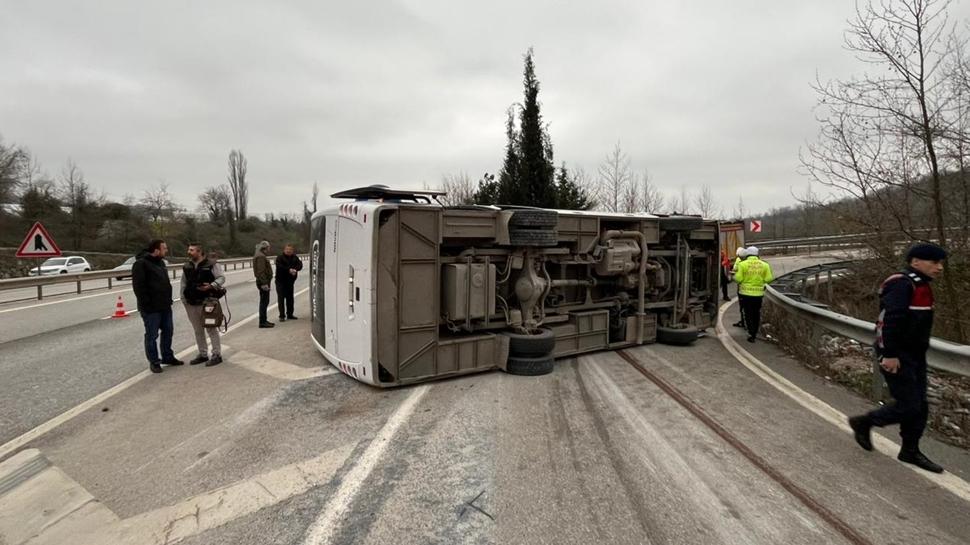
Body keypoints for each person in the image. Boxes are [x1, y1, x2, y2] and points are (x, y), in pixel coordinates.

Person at [848, 242, 948, 473]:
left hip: (915, 355)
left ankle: (910, 450)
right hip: (898, 355)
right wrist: (889, 354)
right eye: (934, 262)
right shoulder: (902, 284)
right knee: (910, 405)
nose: (939, 267)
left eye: (941, 263)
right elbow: (887, 321)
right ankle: (865, 421)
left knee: (920, 406)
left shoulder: (921, 285)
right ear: (915, 262)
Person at [131, 239, 183, 373]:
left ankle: (167, 356)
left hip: (165, 305)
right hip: (151, 308)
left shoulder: (160, 263)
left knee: (168, 331)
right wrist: (146, 305)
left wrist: (168, 300)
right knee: (152, 335)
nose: (166, 251)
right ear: (156, 250)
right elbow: (139, 288)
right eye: (164, 248)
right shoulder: (141, 264)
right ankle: (154, 361)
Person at [181, 243, 226, 367]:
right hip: (191, 302)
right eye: (189, 249)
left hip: (208, 302)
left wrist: (211, 286)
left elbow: (221, 278)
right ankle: (203, 354)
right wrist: (183, 299)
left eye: (191, 250)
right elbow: (183, 283)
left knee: (211, 328)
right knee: (198, 330)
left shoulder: (212, 264)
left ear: (199, 252)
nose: (189, 252)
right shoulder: (187, 266)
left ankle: (217, 354)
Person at [733, 246, 773, 343]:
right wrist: (760, 281)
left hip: (745, 294)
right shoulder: (765, 265)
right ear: (757, 254)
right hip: (758, 294)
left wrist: (736, 277)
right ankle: (755, 331)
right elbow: (769, 279)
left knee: (747, 313)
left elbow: (738, 279)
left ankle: (751, 333)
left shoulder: (742, 264)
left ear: (747, 254)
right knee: (756, 313)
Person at [275, 244, 303, 321]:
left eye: (290, 249)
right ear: (284, 250)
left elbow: (300, 265)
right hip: (280, 281)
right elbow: (279, 266)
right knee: (281, 298)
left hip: (290, 282)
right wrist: (289, 270)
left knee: (290, 298)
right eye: (287, 249)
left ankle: (290, 314)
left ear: (292, 250)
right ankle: (282, 316)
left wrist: (295, 269)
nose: (288, 251)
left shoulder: (295, 257)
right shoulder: (279, 258)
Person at [253, 240, 274, 328]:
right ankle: (262, 321)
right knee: (264, 302)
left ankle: (264, 320)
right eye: (268, 247)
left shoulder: (260, 255)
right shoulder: (261, 256)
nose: (269, 249)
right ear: (265, 247)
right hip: (263, 282)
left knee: (265, 301)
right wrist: (264, 283)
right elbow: (261, 271)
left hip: (263, 281)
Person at [732, 246, 748, 328]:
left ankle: (744, 322)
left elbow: (735, 269)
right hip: (755, 290)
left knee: (742, 307)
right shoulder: (751, 262)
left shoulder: (739, 261)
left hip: (742, 288)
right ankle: (748, 323)